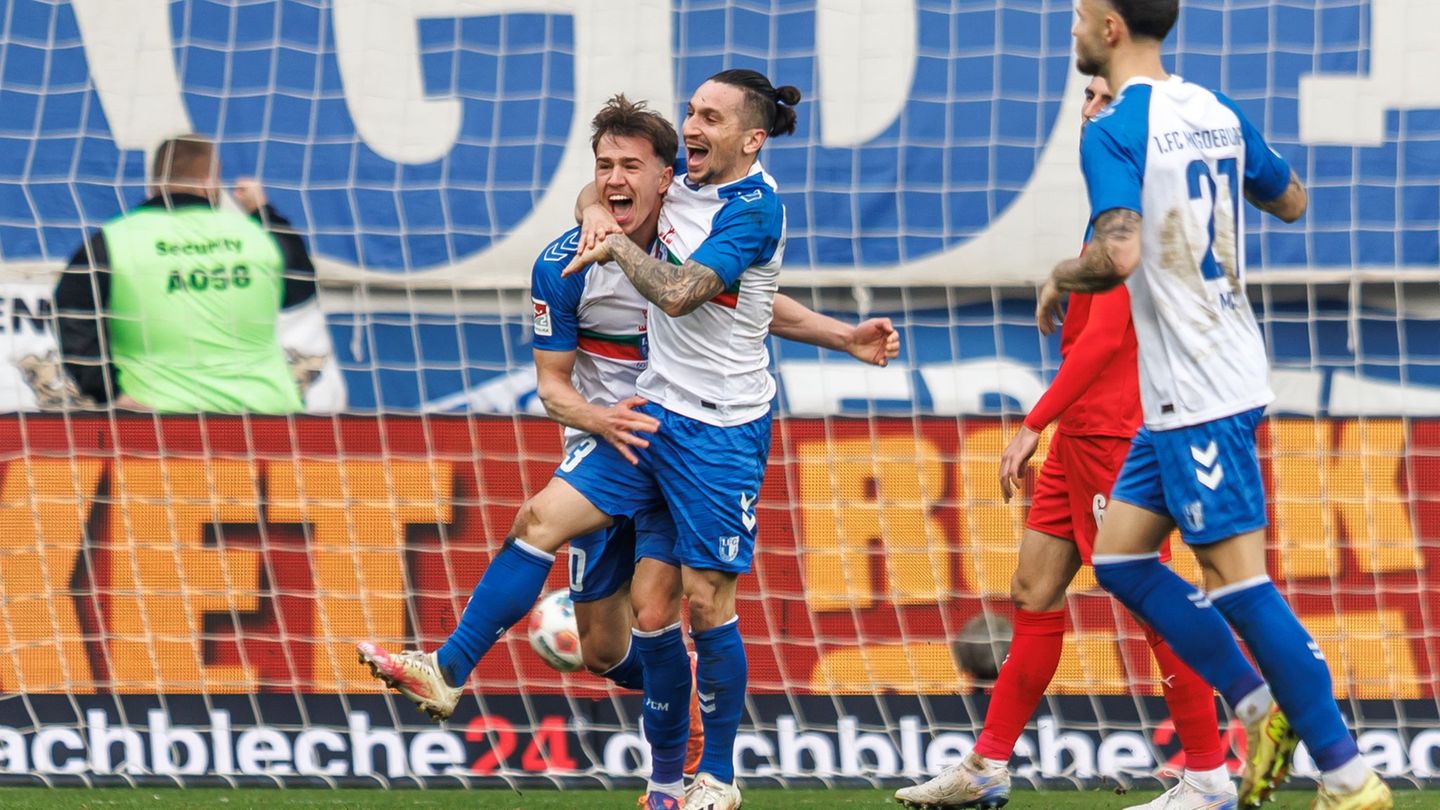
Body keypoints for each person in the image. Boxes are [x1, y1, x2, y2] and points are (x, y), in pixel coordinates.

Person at [357, 91, 896, 810]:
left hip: (708, 433)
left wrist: (841, 335)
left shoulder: (701, 221)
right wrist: (599, 414)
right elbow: (552, 385)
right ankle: (452, 673)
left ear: (666, 179)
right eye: (603, 166)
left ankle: (684, 781)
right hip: (622, 430)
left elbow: (746, 301)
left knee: (666, 609)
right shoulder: (568, 261)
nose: (614, 180)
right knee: (602, 642)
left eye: (631, 167)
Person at [1036, 2, 1391, 809]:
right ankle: (1262, 707)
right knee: (1121, 559)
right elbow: (1291, 199)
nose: (1073, 29)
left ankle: (1347, 776)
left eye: (1081, 15)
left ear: (1112, 27)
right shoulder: (1215, 108)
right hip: (1195, 380)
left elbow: (1118, 253)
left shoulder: (1113, 128)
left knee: (1240, 584)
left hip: (1200, 387)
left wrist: (1061, 274)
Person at [896, 75, 1233, 810]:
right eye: (1089, 100)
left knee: (1154, 605)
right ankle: (987, 765)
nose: (1091, 113)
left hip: (1116, 438)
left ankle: (1209, 775)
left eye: (1106, 104)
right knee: (1033, 590)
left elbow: (1103, 341)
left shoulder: (1132, 222)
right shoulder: (1112, 214)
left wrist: (1032, 422)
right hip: (1082, 440)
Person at [558, 69, 805, 810]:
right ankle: (665, 784)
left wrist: (612, 245)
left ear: (752, 139)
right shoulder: (684, 183)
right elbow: (607, 186)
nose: (692, 126)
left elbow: (676, 292)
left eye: (712, 118)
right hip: (660, 414)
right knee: (650, 608)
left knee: (707, 601)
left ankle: (718, 778)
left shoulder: (754, 210)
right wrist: (594, 207)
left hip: (722, 428)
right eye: (691, 112)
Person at [54, 134, 316, 413]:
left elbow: (70, 314)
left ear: (154, 182)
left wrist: (106, 390)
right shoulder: (258, 236)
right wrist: (263, 211)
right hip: (265, 413)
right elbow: (301, 290)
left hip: (160, 417)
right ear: (212, 177)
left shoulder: (113, 240)